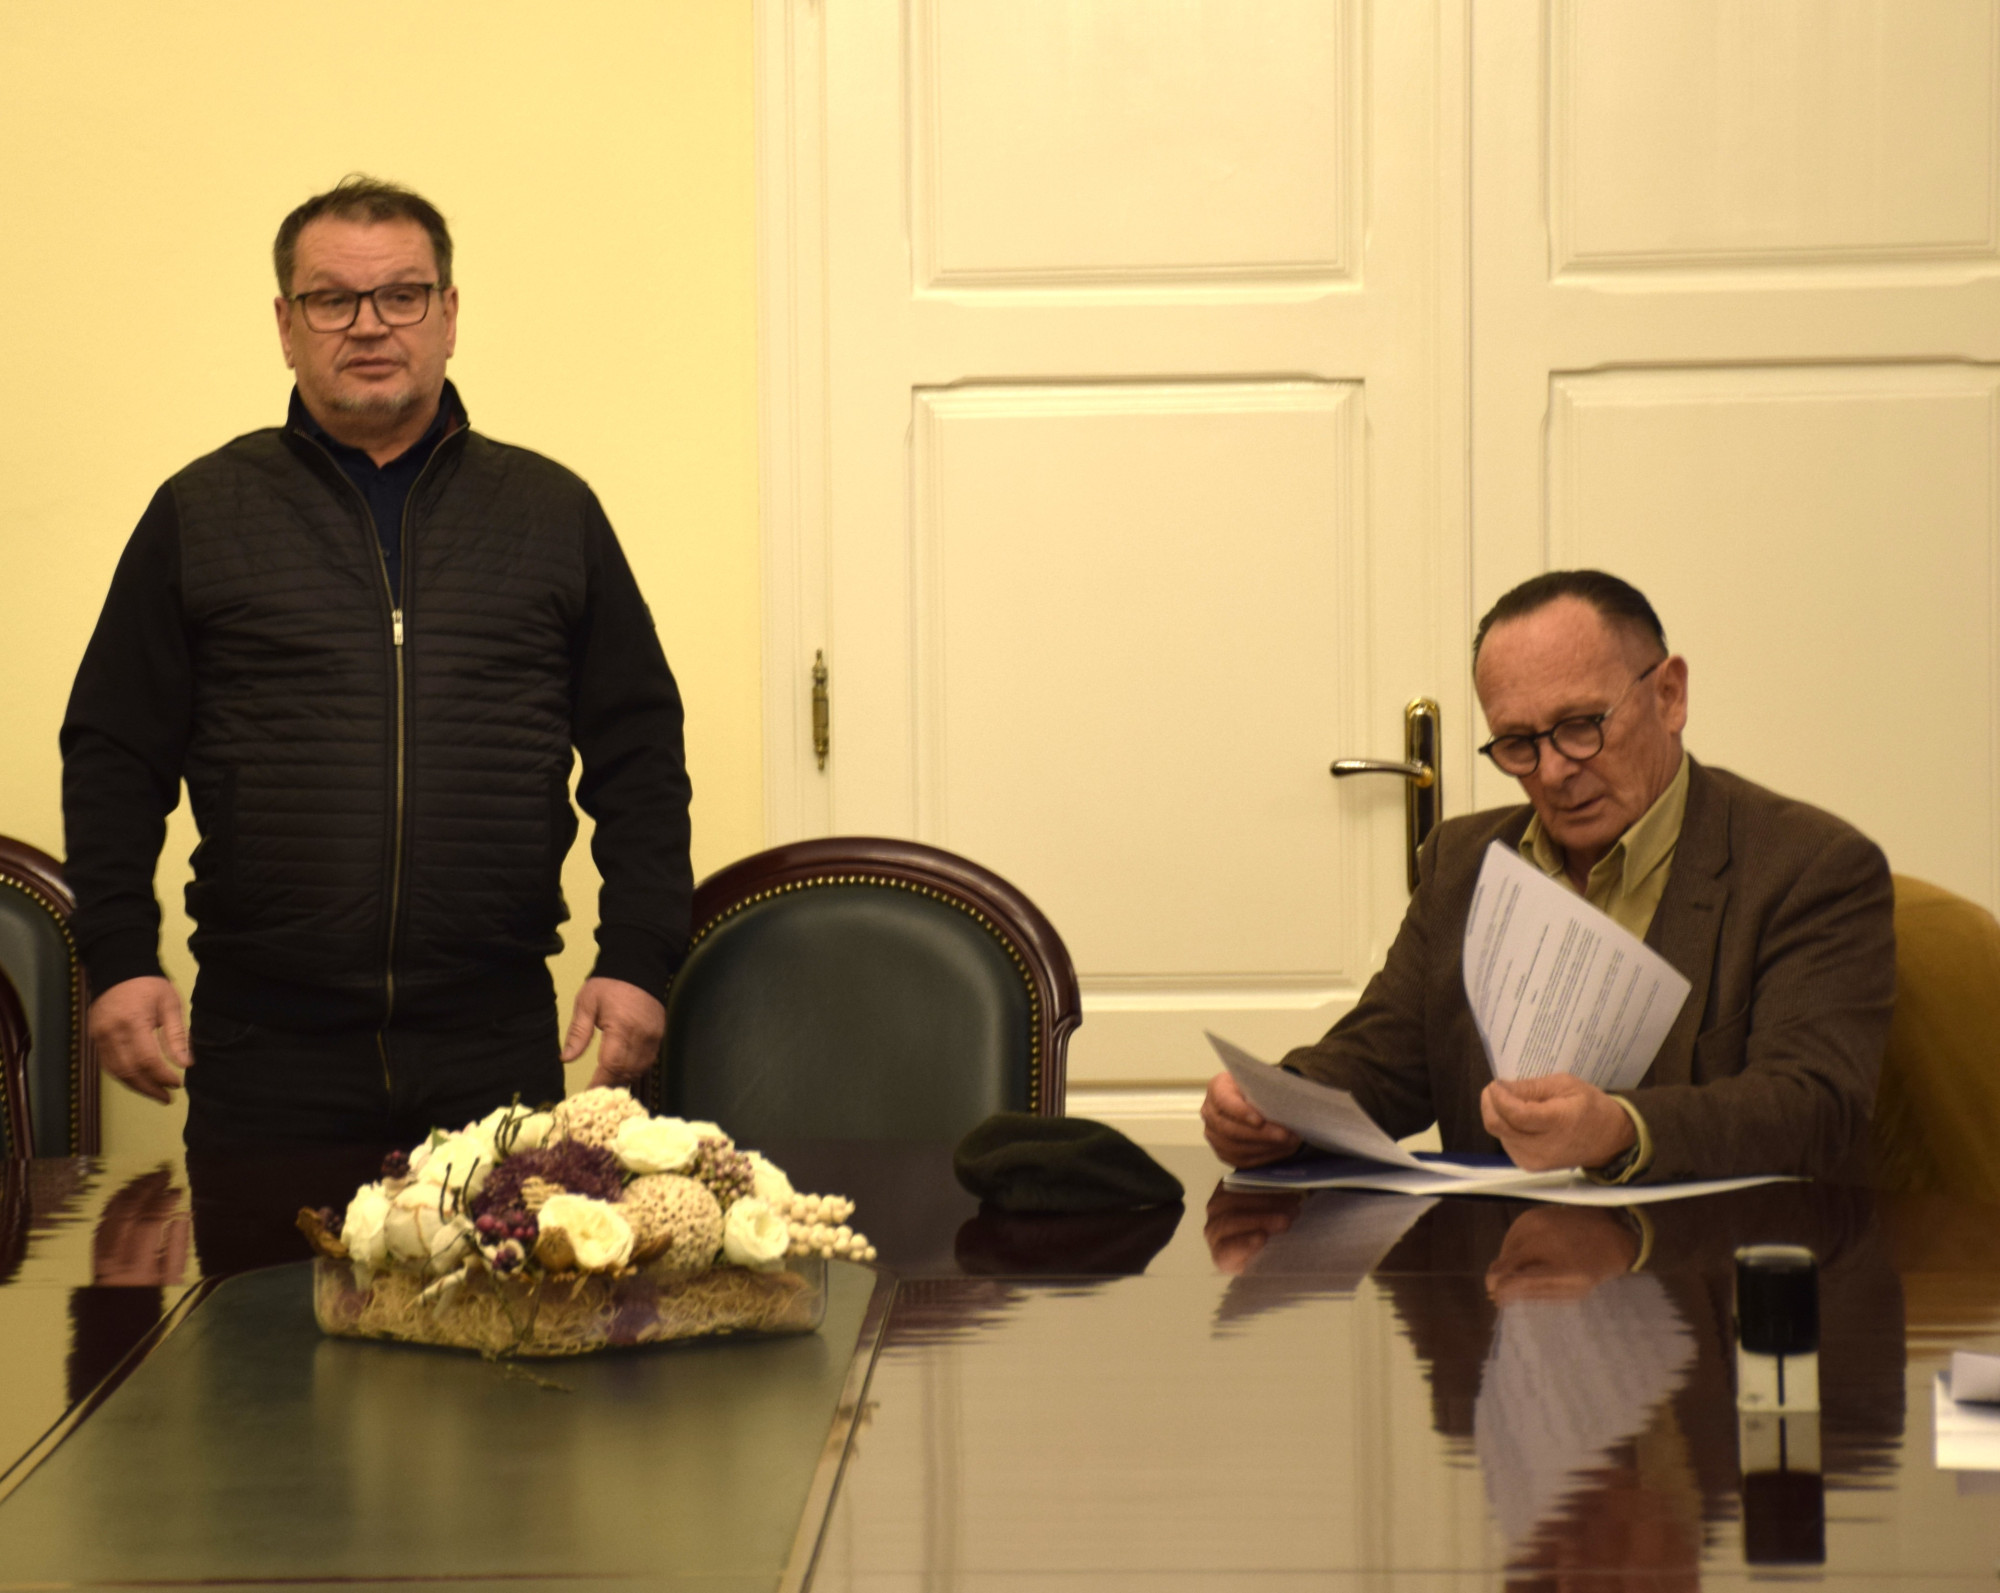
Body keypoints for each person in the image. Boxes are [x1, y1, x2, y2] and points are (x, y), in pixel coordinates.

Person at [61, 176, 693, 1149]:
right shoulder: (202, 512)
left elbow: (639, 753)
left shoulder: (551, 513)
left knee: (504, 1260)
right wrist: (120, 956)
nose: (368, 324)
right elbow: (114, 751)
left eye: (401, 294)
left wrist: (638, 957)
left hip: (492, 1042)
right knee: (258, 1262)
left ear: (449, 314)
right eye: (331, 299)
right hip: (266, 1053)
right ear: (286, 325)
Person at [1202, 570, 1895, 1184]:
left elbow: (1815, 1106)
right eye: (1517, 743)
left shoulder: (1809, 866)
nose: (1555, 771)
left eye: (1581, 725)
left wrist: (1622, 1128)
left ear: (1670, 695)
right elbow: (1383, 1058)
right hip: (1498, 1265)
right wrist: (1279, 1106)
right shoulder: (1463, 862)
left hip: (1709, 1271)